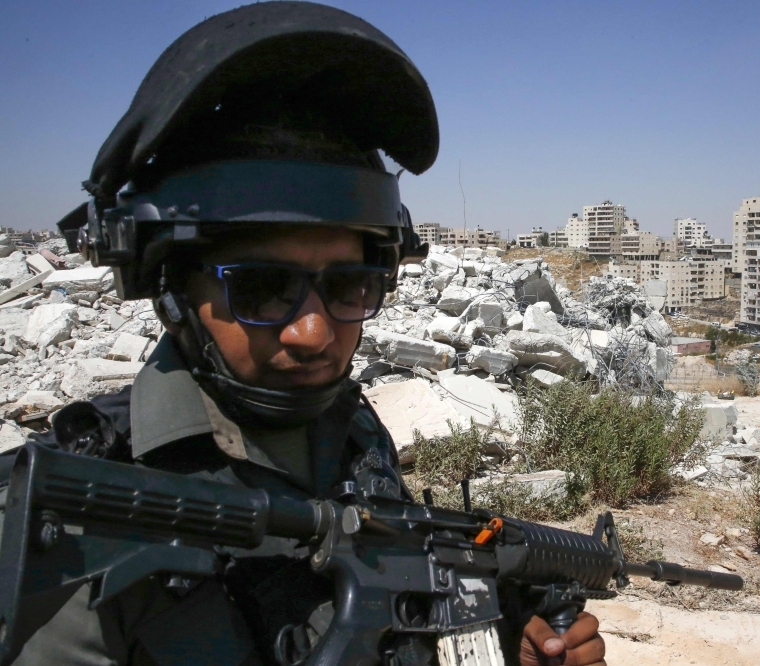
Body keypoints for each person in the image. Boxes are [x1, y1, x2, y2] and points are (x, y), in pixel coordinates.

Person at [0, 3, 606, 665]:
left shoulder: (349, 434)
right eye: (261, 288)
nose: (315, 333)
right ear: (171, 285)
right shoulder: (80, 515)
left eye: (349, 287)